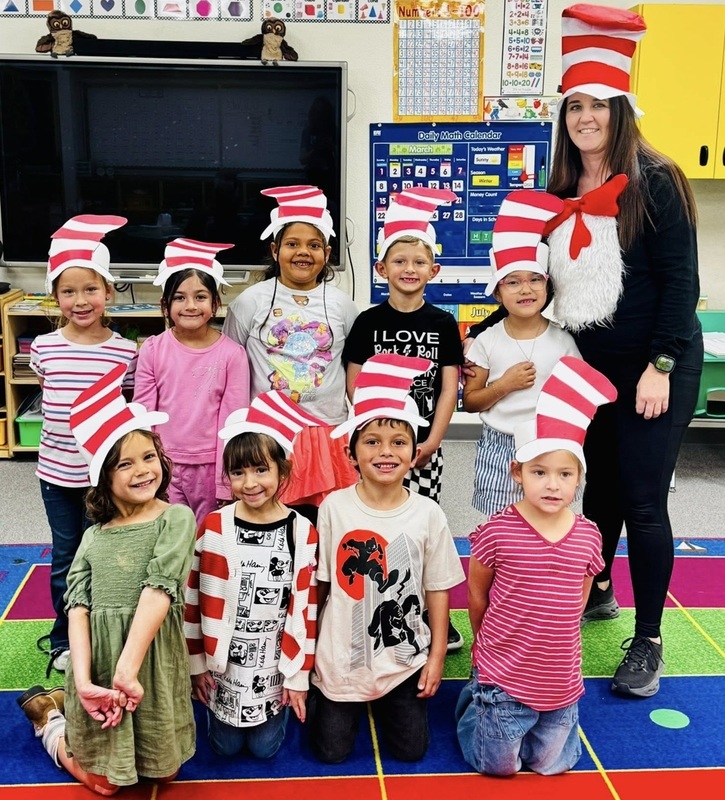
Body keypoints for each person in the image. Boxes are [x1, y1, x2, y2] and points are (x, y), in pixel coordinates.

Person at [543, 3, 703, 697]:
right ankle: (597, 590)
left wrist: (659, 365)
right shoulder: (559, 187)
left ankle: (647, 639)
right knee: (595, 494)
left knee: (641, 501)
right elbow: (543, 281)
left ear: (620, 111)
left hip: (653, 366)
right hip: (591, 369)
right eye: (574, 105)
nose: (584, 117)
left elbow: (680, 283)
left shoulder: (656, 179)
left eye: (597, 105)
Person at [18, 363, 197, 794]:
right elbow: (76, 610)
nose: (142, 471)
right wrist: (83, 684)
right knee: (103, 785)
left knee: (165, 773)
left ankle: (61, 698)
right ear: (103, 478)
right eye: (124, 464)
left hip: (145, 663)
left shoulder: (176, 517)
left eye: (149, 457)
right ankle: (50, 717)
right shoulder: (93, 536)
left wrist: (126, 671)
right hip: (98, 668)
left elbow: (158, 591)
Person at [456, 356, 615, 776]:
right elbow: (477, 592)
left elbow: (580, 595)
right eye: (539, 472)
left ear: (579, 478)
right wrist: (484, 647)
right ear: (517, 473)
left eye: (565, 474)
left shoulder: (589, 534)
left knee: (550, 765)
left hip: (560, 674)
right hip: (503, 671)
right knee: (499, 767)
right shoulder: (496, 531)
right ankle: (475, 702)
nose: (552, 483)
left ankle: (543, 719)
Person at [309, 354, 465, 764]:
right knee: (330, 752)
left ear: (415, 453)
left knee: (412, 752)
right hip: (341, 657)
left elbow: (437, 587)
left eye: (399, 442)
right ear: (351, 452)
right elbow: (322, 585)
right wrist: (307, 653)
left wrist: (434, 659)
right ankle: (344, 698)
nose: (386, 452)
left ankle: (388, 695)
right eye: (372, 442)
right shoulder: (332, 507)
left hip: (403, 659)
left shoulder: (428, 513)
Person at [343, 187, 465, 650]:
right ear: (382, 269)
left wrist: (430, 440)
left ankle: (429, 610)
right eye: (399, 261)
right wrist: (374, 438)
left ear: (433, 270)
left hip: (423, 451)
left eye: (419, 262)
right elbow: (355, 384)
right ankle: (380, 604)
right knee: (377, 524)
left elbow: (449, 387)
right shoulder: (368, 323)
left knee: (422, 526)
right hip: (377, 449)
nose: (409, 269)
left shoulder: (442, 323)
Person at [184, 390, 324, 759]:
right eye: (238, 472)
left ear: (283, 470)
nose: (250, 483)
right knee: (225, 748)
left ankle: (274, 717)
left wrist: (297, 678)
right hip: (224, 664)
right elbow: (193, 599)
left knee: (264, 750)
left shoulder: (301, 531)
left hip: (274, 663)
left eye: (261, 469)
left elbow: (306, 611)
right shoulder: (214, 526)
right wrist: (196, 665)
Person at [31, 215, 138, 674]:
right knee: (65, 556)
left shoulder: (125, 351)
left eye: (91, 289)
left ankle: (106, 633)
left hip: (106, 476)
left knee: (110, 555)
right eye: (69, 291)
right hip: (56, 475)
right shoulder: (43, 346)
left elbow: (127, 404)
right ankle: (62, 638)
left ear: (108, 293)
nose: (81, 300)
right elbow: (48, 393)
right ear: (56, 297)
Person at [223, 185, 359, 520]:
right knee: (271, 516)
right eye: (292, 244)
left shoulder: (342, 305)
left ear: (327, 253)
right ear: (275, 249)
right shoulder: (250, 302)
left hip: (325, 431)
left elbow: (351, 365)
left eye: (314, 245)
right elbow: (232, 363)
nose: (303, 252)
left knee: (325, 519)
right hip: (267, 432)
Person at [462, 190, 580, 517]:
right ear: (498, 292)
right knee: (501, 525)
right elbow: (470, 402)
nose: (525, 289)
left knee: (548, 521)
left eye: (534, 281)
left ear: (547, 286)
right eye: (513, 282)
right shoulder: (486, 341)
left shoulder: (564, 342)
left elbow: (577, 399)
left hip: (551, 443)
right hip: (499, 446)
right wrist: (505, 385)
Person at [133, 238, 250, 525]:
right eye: (179, 297)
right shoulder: (151, 349)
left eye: (200, 297)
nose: (190, 306)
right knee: (166, 535)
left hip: (211, 468)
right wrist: (145, 467)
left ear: (215, 303)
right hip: (163, 466)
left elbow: (233, 422)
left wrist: (226, 479)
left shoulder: (232, 355)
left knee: (207, 540)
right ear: (165, 304)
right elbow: (142, 416)